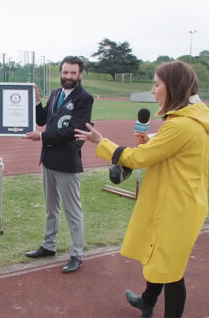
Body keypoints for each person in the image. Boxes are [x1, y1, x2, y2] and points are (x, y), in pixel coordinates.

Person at [75, 60, 209, 317]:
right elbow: (174, 147)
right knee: (160, 256)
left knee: (171, 271)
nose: (152, 90)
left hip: (177, 206)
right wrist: (153, 140)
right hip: (180, 201)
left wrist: (102, 143)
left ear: (174, 87)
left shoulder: (182, 124)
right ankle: (147, 300)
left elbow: (138, 159)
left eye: (157, 84)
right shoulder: (194, 117)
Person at [23, 56, 93, 273]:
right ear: (60, 73)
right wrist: (36, 100)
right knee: (51, 209)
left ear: (80, 74)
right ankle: (48, 245)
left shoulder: (84, 98)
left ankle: (77, 254)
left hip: (67, 163)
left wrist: (42, 137)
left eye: (73, 73)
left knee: (73, 211)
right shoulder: (55, 93)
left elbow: (73, 130)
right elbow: (43, 120)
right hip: (49, 160)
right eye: (65, 72)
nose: (68, 77)